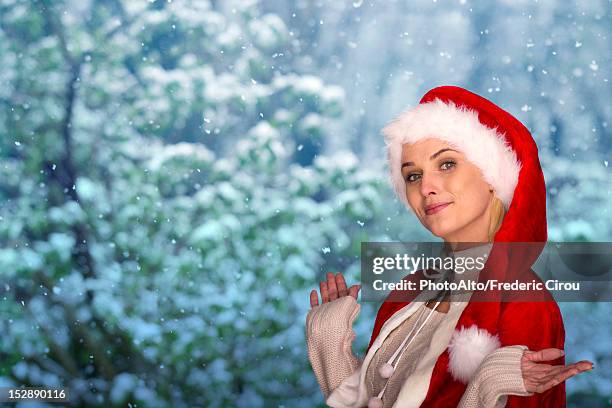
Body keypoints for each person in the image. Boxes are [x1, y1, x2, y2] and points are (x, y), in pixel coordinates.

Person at [305, 86, 594, 407]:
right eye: (413, 175)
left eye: (446, 164)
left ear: (492, 177)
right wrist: (329, 342)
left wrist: (490, 381)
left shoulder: (523, 300)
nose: (426, 187)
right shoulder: (411, 290)